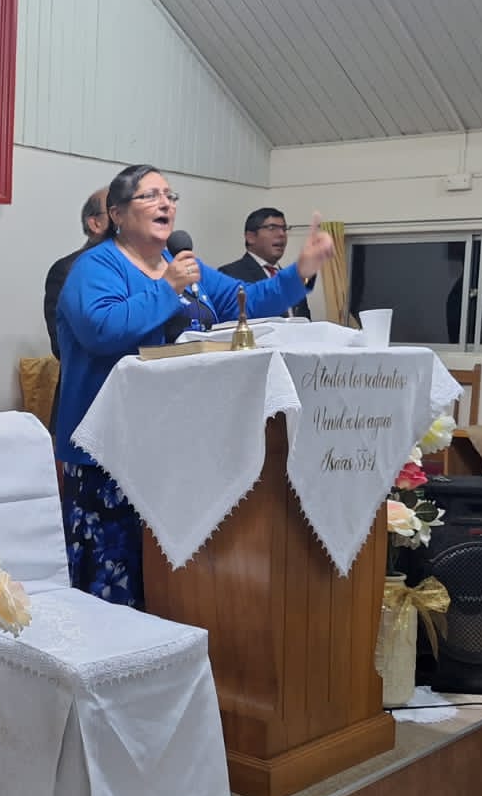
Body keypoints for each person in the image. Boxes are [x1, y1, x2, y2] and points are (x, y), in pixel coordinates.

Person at [53, 163, 334, 607]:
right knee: (113, 582)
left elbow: (247, 299)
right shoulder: (95, 266)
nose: (165, 203)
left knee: (170, 577)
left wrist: (300, 271)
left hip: (177, 445)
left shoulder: (182, 264)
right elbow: (101, 330)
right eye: (150, 195)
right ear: (118, 214)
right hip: (110, 448)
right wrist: (166, 289)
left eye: (169, 195)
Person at [41, 187, 110, 358]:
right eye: (116, 211)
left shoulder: (153, 264)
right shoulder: (67, 271)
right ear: (95, 223)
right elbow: (61, 347)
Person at [218, 207, 313, 318]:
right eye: (272, 228)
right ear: (250, 237)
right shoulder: (229, 275)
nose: (281, 234)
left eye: (284, 229)